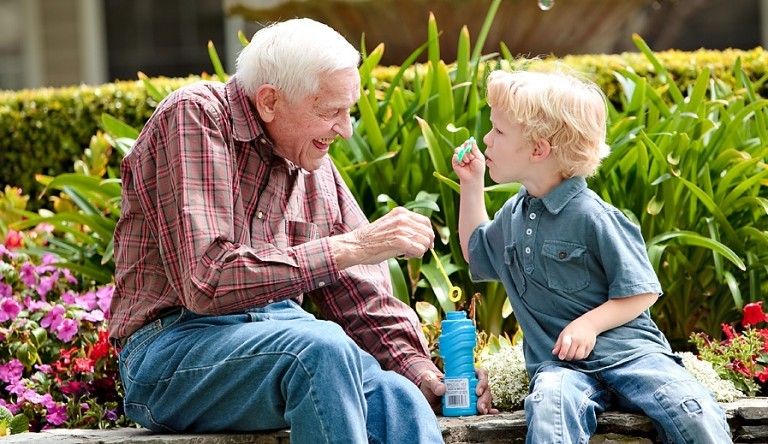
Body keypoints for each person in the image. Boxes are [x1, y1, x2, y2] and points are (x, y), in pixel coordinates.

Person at [109, 17, 495, 443]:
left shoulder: (312, 163)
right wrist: (353, 245)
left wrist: (426, 376)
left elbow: (360, 299)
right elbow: (208, 278)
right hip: (173, 348)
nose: (346, 129)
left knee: (397, 396)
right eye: (331, 111)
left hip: (283, 336)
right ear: (270, 100)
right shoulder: (196, 116)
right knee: (321, 350)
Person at [452, 69, 731, 443]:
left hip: (632, 356)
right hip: (561, 367)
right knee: (549, 408)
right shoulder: (514, 216)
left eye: (499, 131)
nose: (486, 138)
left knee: (689, 408)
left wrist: (589, 325)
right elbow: (477, 252)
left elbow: (641, 292)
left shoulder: (593, 216)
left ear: (539, 149)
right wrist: (471, 185)